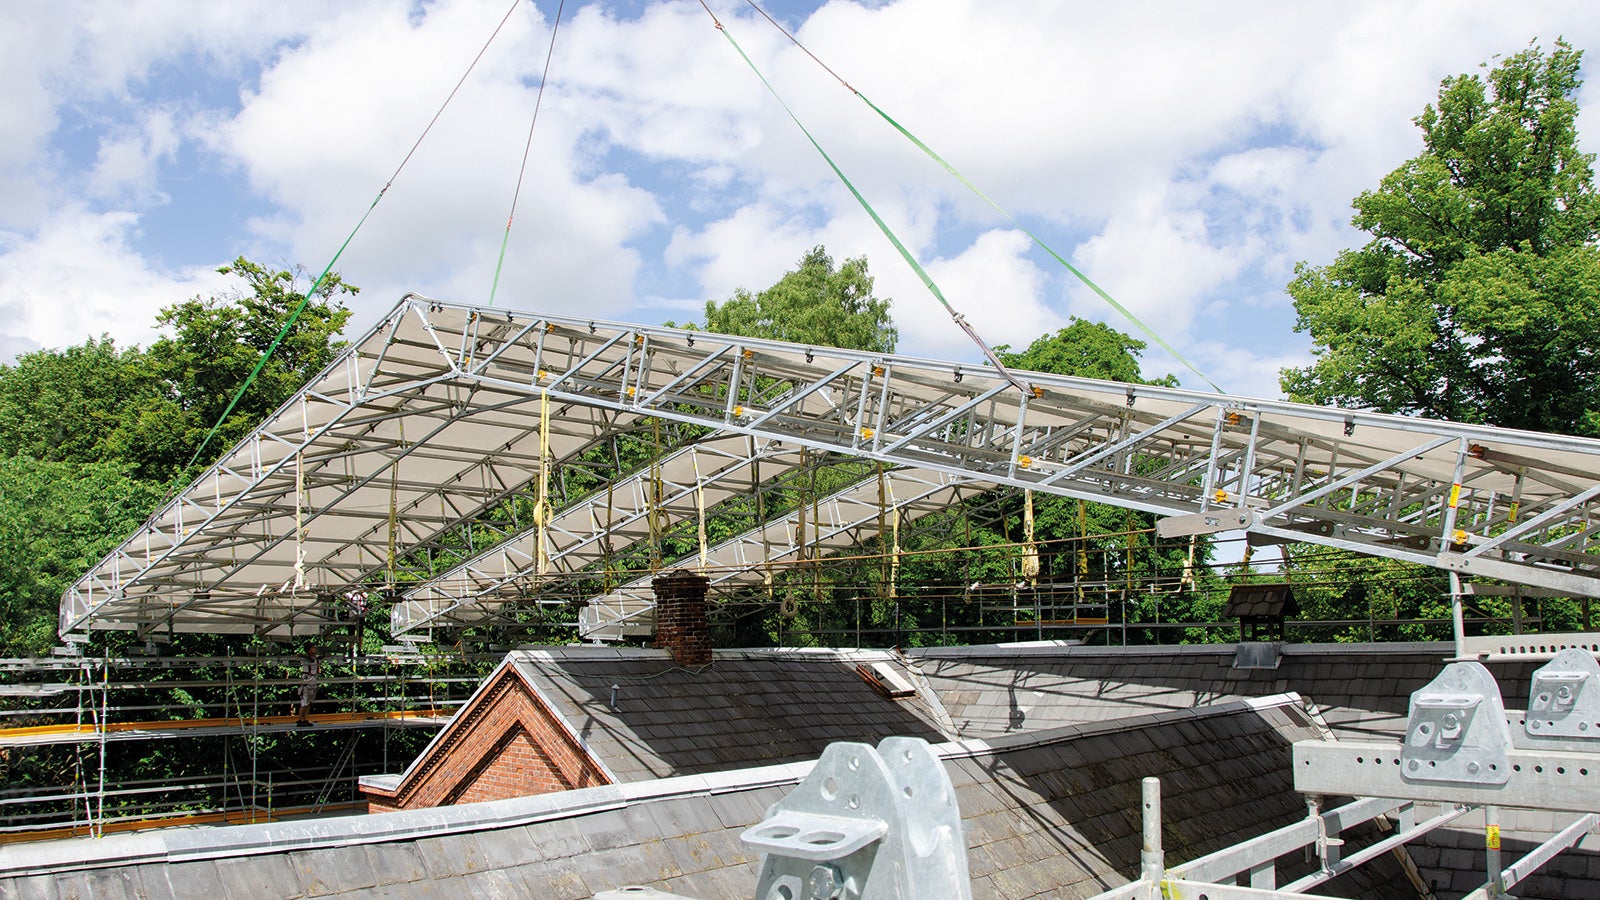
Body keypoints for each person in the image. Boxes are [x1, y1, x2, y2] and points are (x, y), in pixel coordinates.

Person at [295, 646, 321, 726]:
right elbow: (298, 655)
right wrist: (308, 657)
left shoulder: (316, 658)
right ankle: (299, 719)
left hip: (313, 679)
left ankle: (305, 719)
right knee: (304, 701)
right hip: (307, 679)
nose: (315, 649)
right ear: (309, 650)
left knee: (309, 701)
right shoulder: (305, 658)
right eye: (313, 648)